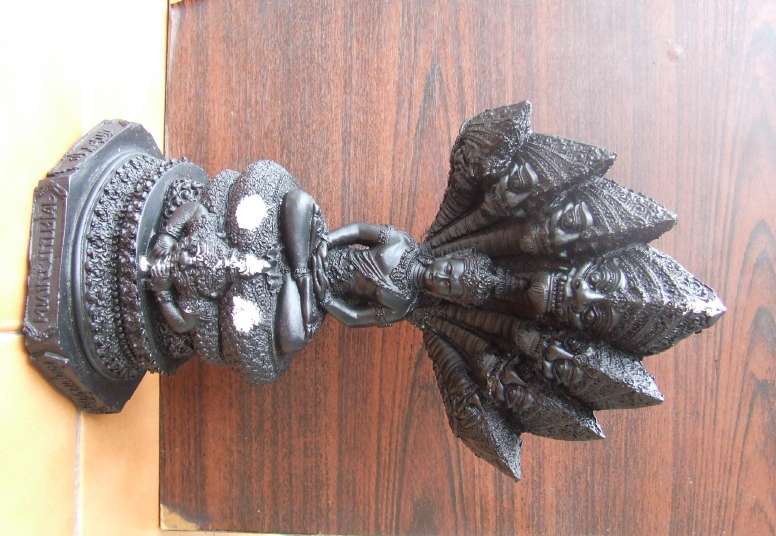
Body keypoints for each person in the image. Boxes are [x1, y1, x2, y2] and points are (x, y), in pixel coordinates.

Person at [311, 223, 496, 328]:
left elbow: (355, 318)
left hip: (323, 289)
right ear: (448, 257)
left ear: (447, 297)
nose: (439, 277)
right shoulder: (402, 242)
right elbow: (359, 231)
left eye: (447, 285)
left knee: (296, 336)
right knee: (300, 203)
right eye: (447, 269)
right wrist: (327, 241)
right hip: (326, 252)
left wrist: (326, 299)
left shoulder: (402, 306)